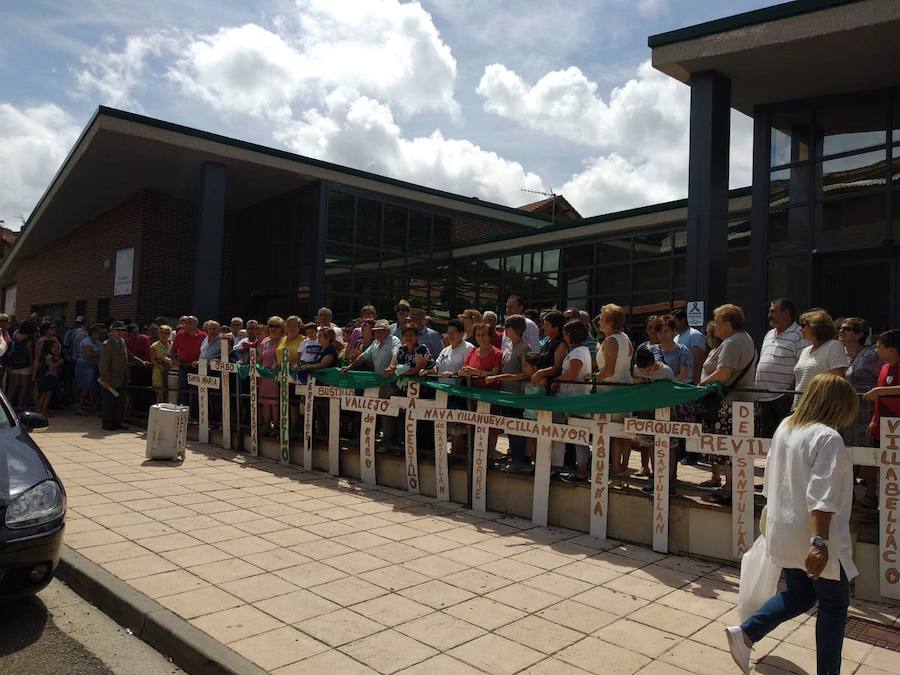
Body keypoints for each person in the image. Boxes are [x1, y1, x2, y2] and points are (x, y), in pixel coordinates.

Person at [726, 374, 859, 675]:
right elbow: (821, 497)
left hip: (785, 528)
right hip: (815, 536)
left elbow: (772, 476)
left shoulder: (787, 426)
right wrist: (820, 543)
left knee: (800, 594)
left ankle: (746, 633)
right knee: (834, 605)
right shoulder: (828, 438)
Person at [699, 304, 758, 503]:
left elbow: (723, 374)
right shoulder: (746, 338)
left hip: (731, 405)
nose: (714, 327)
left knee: (729, 448)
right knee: (735, 448)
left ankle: (731, 489)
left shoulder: (732, 342)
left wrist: (700, 385)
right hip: (742, 403)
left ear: (728, 324)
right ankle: (731, 487)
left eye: (717, 322)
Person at [756, 299, 809, 438]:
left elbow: (803, 365)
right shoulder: (768, 334)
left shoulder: (799, 334)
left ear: (786, 314)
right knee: (766, 440)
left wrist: (789, 393)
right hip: (763, 397)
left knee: (784, 438)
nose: (769, 315)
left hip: (784, 398)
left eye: (773, 311)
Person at [486, 315, 530, 471]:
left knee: (517, 429)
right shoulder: (509, 346)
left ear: (516, 328)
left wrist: (499, 377)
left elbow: (526, 373)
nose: (504, 329)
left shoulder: (525, 347)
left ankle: (519, 460)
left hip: (516, 396)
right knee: (510, 428)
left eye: (507, 326)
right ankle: (513, 457)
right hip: (505, 395)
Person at [594, 304, 634, 476]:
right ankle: (623, 467)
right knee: (624, 431)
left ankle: (617, 468)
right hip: (625, 387)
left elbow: (608, 370)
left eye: (602, 319)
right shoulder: (625, 337)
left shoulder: (611, 340)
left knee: (615, 431)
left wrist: (592, 377)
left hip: (611, 390)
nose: (599, 321)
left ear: (610, 323)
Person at [556, 321, 593, 483]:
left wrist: (554, 378)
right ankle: (579, 469)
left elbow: (571, 375)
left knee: (579, 438)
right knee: (576, 438)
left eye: (565, 333)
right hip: (572, 400)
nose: (563, 337)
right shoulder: (579, 351)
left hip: (576, 400)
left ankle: (581, 471)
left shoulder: (578, 352)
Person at [794, 309, 848, 409]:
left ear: (816, 327)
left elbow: (837, 380)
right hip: (800, 408)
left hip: (821, 409)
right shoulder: (805, 350)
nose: (800, 329)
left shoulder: (834, 346)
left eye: (803, 325)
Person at [99, 322, 146, 431]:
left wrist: (141, 362)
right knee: (109, 403)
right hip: (110, 378)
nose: (121, 332)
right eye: (118, 330)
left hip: (122, 377)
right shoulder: (107, 344)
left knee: (119, 402)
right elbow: (103, 364)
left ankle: (117, 422)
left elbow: (129, 355)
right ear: (112, 332)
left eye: (122, 330)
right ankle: (107, 423)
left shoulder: (122, 342)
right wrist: (105, 379)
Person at [864, 329, 900, 441]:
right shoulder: (884, 367)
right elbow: (879, 399)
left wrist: (879, 390)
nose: (876, 350)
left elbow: (880, 392)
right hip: (884, 425)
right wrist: (874, 420)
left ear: (891, 350)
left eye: (879, 347)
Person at [170, 316, 206, 414]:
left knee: (196, 391)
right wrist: (175, 359)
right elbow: (173, 350)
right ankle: (185, 413)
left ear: (196, 324)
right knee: (183, 389)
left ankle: (195, 414)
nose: (187, 325)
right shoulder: (179, 335)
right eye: (185, 323)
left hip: (198, 367)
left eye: (190, 323)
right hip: (184, 366)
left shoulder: (203, 336)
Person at [259, 317, 284, 437]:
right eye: (271, 326)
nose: (273, 329)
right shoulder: (265, 341)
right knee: (265, 402)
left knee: (275, 403)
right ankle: (265, 425)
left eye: (276, 326)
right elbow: (260, 357)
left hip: (276, 376)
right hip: (264, 376)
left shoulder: (282, 341)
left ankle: (276, 426)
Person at [530, 310, 567, 386]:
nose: (543, 327)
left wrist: (540, 373)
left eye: (547, 325)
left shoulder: (561, 345)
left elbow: (556, 368)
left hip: (552, 386)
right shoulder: (547, 341)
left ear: (556, 329)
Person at [6, 320, 35, 411]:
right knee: (23, 386)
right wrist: (32, 364)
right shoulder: (29, 338)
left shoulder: (16, 336)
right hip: (25, 365)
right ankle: (20, 405)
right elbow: (30, 353)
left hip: (14, 364)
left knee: (13, 385)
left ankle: (7, 403)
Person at [673, 309, 706, 385]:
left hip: (690, 382)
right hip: (678, 382)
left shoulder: (694, 335)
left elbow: (699, 359)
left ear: (683, 320)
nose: (672, 325)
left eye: (674, 322)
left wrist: (696, 381)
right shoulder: (675, 338)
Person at [35, 337, 62, 416]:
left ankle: (42, 411)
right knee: (44, 396)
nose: (56, 349)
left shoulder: (49, 356)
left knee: (47, 395)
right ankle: (40, 412)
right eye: (54, 347)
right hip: (47, 377)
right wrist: (60, 362)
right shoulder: (48, 356)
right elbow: (51, 366)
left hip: (50, 377)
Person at [150, 325, 173, 403]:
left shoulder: (172, 344)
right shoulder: (155, 346)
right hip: (159, 371)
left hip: (171, 372)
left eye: (166, 333)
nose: (164, 335)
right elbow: (152, 360)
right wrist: (160, 366)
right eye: (162, 333)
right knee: (159, 393)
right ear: (159, 334)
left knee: (170, 392)